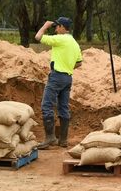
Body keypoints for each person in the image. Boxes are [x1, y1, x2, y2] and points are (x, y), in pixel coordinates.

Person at [34, 17, 82, 149]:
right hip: (68, 78)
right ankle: (63, 140)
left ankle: (50, 138)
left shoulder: (60, 39)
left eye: (56, 26)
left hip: (56, 77)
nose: (55, 29)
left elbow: (38, 37)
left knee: (46, 105)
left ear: (61, 27)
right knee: (63, 107)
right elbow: (79, 63)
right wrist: (67, 66)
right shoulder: (74, 43)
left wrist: (45, 26)